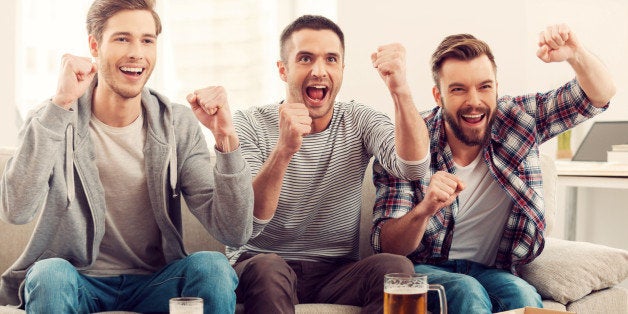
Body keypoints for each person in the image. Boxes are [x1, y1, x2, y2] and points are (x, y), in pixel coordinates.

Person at [0, 0, 253, 313]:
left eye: (147, 40)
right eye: (122, 38)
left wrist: (226, 138)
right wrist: (60, 104)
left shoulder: (177, 123)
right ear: (95, 45)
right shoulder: (51, 117)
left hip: (156, 283)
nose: (137, 52)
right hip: (76, 281)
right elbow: (16, 211)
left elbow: (234, 231)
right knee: (49, 274)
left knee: (213, 267)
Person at [371, 24, 616, 313]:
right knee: (467, 290)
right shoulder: (411, 142)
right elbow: (388, 246)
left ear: (497, 88)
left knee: (521, 294)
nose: (474, 102)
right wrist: (425, 208)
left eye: (484, 87)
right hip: (425, 269)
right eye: (458, 89)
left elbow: (598, 96)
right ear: (439, 96)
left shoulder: (518, 120)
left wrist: (575, 53)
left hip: (493, 270)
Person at [228, 15, 430, 313]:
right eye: (306, 58)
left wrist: (399, 88)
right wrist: (284, 150)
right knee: (270, 268)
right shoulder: (249, 123)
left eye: (331, 59)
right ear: (283, 70)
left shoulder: (359, 120)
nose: (319, 71)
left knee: (395, 267)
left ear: (342, 69)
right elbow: (248, 218)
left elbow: (413, 167)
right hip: (261, 263)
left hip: (334, 272)